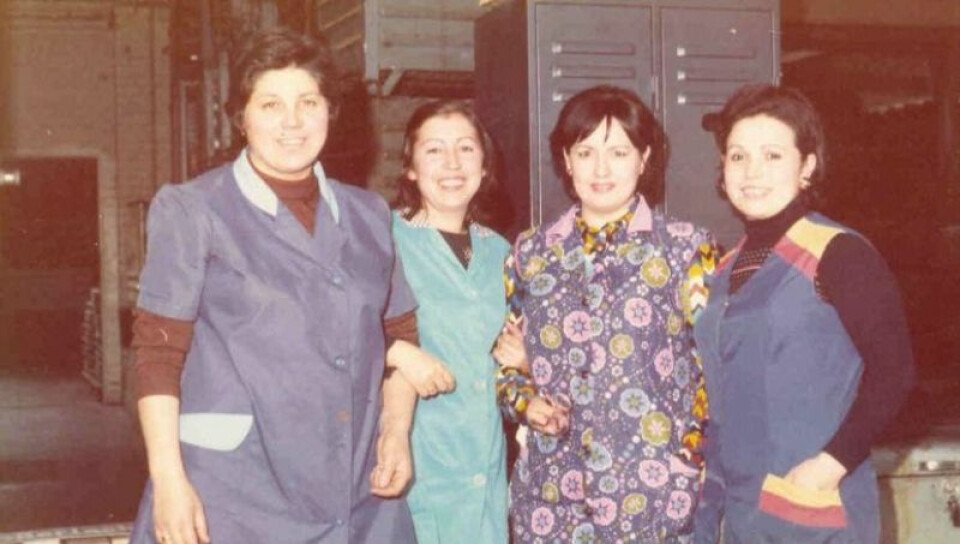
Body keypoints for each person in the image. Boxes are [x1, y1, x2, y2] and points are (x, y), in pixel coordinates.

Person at [128, 27, 426, 544]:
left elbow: (399, 335)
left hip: (356, 488)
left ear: (330, 111)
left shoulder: (369, 214)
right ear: (240, 118)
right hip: (235, 491)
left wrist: (396, 432)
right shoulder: (194, 209)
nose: (292, 121)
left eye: (308, 102)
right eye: (270, 104)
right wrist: (169, 480)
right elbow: (157, 356)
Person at [492, 85, 717, 543]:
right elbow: (507, 365)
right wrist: (526, 402)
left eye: (618, 152)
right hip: (552, 499)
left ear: (644, 158)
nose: (600, 169)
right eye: (585, 152)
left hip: (652, 497)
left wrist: (688, 458)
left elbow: (714, 367)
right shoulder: (529, 253)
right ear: (566, 160)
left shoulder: (688, 249)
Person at [694, 84, 915, 543]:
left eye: (772, 155)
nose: (752, 172)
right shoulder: (726, 267)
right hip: (737, 511)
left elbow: (894, 372)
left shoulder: (838, 251)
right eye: (738, 156)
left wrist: (830, 464)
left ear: (807, 166)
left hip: (811, 505)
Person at [389, 99, 511, 543]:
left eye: (466, 148)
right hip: (416, 463)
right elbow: (339, 329)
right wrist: (397, 351)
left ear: (484, 165)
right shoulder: (385, 238)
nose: (453, 164)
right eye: (434, 150)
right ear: (411, 168)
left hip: (485, 464)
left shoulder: (499, 251)